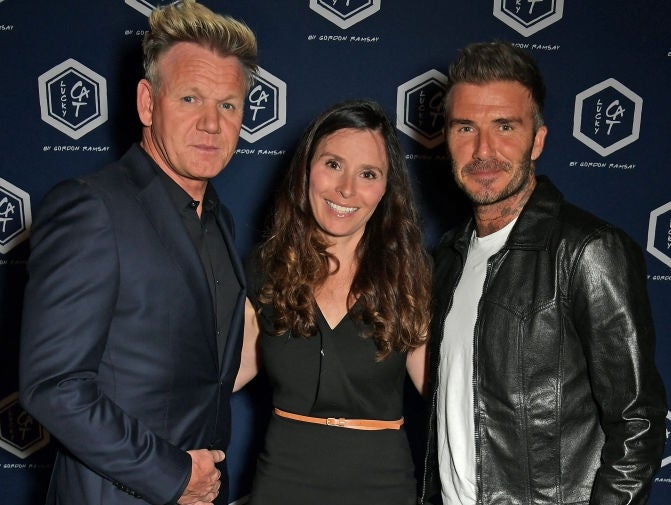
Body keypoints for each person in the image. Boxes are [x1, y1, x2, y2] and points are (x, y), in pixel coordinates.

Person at [19, 2, 257, 504]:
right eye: (190, 98)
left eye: (229, 105)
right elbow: (54, 385)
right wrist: (173, 475)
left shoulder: (219, 218)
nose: (211, 123)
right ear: (148, 103)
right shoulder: (92, 208)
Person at [420, 41, 668, 505]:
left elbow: (637, 422)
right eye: (465, 128)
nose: (483, 150)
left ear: (537, 140)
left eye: (505, 127)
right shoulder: (450, 256)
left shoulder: (587, 250)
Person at [233, 99, 432, 504]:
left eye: (368, 174)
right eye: (333, 164)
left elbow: (445, 395)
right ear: (307, 168)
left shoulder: (411, 273)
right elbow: (221, 376)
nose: (347, 189)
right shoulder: (265, 268)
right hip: (282, 486)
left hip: (383, 490)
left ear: (386, 187)